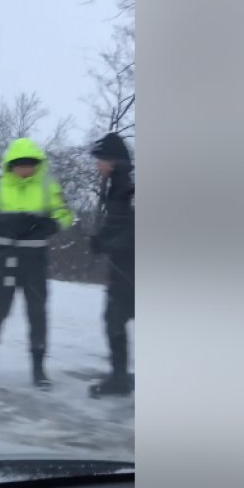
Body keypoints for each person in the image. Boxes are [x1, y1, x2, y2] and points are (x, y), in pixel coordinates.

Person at [0, 138, 73, 389]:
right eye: (19, 165)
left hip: (35, 261)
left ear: (37, 164)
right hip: (4, 259)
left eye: (30, 164)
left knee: (37, 314)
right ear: (11, 165)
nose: (25, 169)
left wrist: (52, 224)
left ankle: (39, 369)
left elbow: (65, 213)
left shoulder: (49, 186)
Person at [89, 132, 135, 398]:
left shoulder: (126, 187)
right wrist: (102, 239)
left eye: (100, 160)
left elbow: (133, 229)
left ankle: (119, 380)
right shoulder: (118, 184)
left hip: (130, 269)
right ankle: (119, 377)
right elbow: (118, 225)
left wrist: (106, 244)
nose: (97, 166)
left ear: (113, 161)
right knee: (114, 319)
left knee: (114, 319)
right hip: (125, 267)